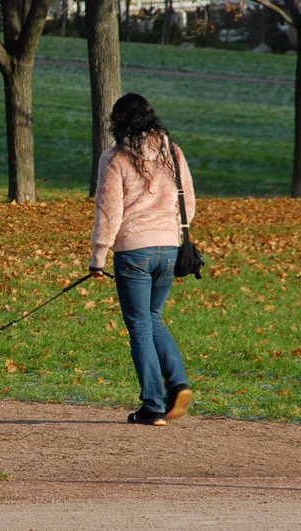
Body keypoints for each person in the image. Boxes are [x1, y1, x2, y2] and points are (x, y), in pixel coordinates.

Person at [89, 93, 195, 426]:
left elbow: (109, 211)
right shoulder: (172, 152)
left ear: (118, 122)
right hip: (169, 248)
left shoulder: (115, 157)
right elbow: (188, 202)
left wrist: (98, 256)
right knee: (152, 317)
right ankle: (177, 382)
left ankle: (153, 405)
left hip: (134, 250)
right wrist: (174, 236)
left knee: (140, 329)